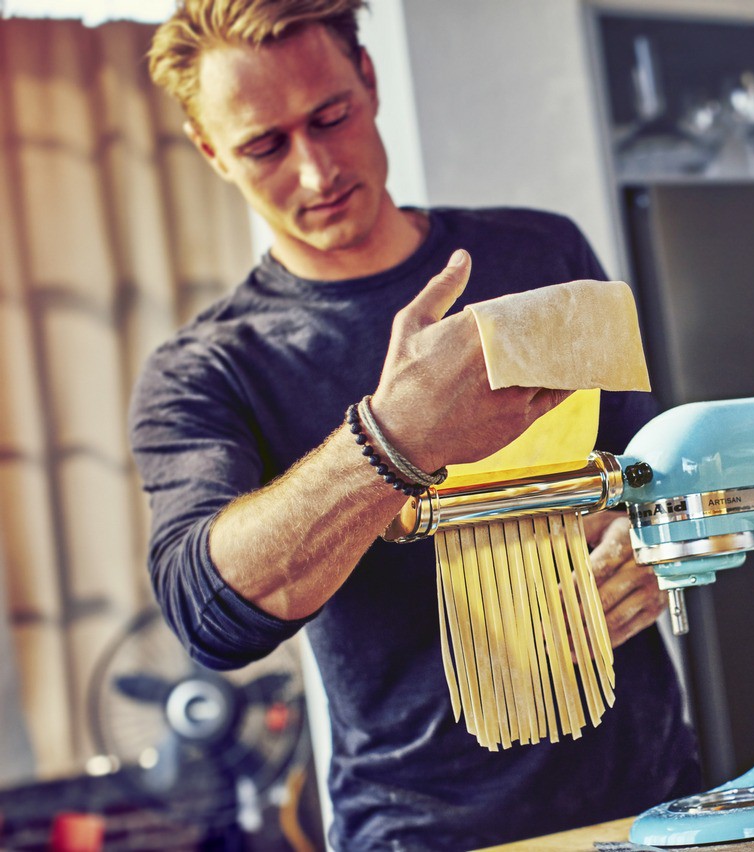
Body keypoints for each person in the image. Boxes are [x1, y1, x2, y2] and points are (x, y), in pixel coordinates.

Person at [128, 1, 700, 848]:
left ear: (369, 79)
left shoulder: (542, 259)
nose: (317, 171)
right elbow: (210, 617)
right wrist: (392, 441)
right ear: (212, 151)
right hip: (417, 830)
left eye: (331, 117)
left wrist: (647, 546)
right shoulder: (209, 369)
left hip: (658, 802)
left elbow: (656, 474)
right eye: (264, 145)